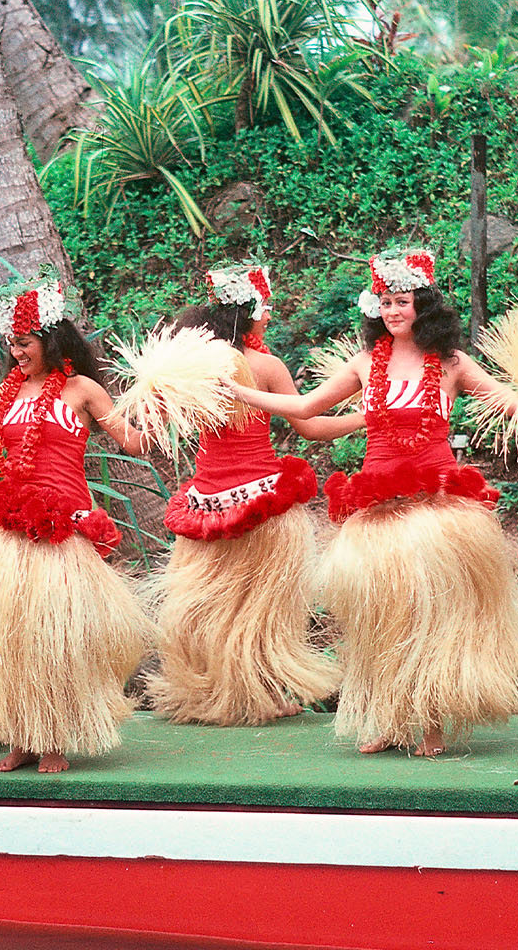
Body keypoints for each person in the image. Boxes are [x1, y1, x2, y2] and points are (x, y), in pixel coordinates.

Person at [230, 248, 518, 756]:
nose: (392, 311)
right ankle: (388, 718)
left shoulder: (451, 364)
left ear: (424, 306)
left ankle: (433, 722)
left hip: (436, 505)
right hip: (376, 507)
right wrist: (243, 393)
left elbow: (505, 399)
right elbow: (307, 407)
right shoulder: (363, 363)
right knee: (380, 614)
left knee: (432, 612)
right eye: (384, 301)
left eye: (401, 301)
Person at [0, 272, 153, 773]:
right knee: (11, 639)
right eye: (11, 343)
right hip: (7, 532)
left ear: (51, 339)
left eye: (24, 342)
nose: (16, 351)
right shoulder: (5, 394)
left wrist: (163, 409)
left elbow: (134, 442)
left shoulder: (82, 389)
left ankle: (55, 739)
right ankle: (21, 735)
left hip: (61, 531)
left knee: (55, 642)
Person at [145, 264, 341, 726]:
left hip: (208, 501)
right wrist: (366, 418)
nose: (269, 317)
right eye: (266, 308)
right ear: (251, 313)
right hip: (262, 500)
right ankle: (259, 691)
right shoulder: (266, 367)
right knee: (263, 608)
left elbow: (153, 423)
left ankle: (231, 690)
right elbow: (309, 426)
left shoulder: (190, 369)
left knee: (208, 605)